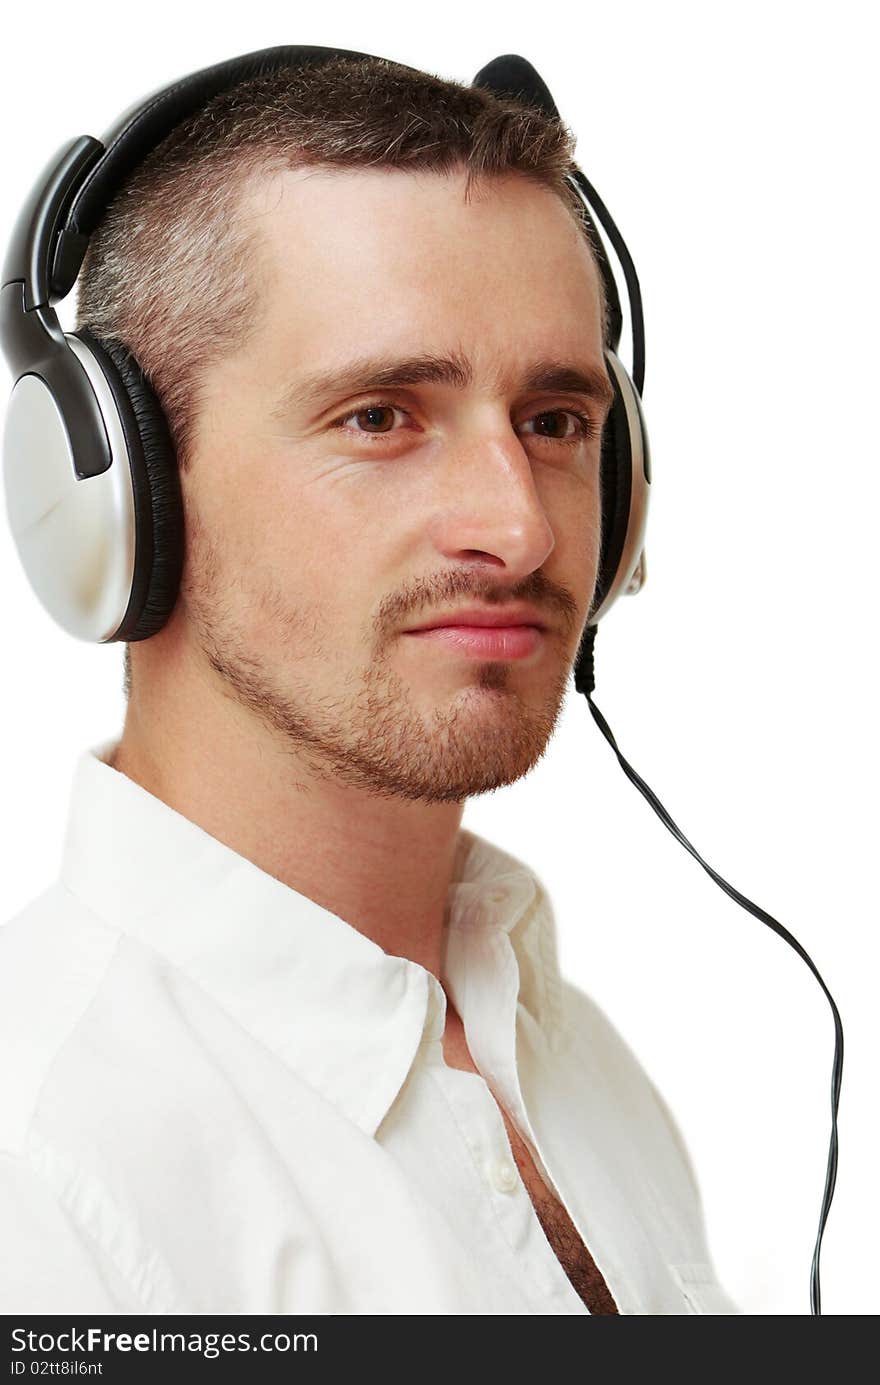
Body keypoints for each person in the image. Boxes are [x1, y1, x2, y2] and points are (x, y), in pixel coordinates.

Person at [0, 53, 740, 1315]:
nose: (518, 531)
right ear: (116, 490)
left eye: (555, 421)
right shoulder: (50, 1175)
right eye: (381, 417)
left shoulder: (578, 1063)